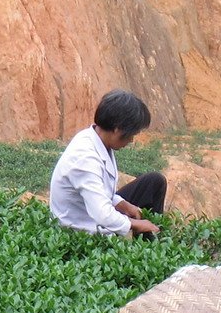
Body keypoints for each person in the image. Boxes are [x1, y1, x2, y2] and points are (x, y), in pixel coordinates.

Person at [49, 90, 166, 239]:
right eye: (131, 135)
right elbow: (102, 214)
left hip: (91, 210)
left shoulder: (97, 139)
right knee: (135, 222)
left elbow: (101, 192)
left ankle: (153, 237)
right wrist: (136, 224)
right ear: (117, 129)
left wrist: (123, 204)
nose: (131, 141)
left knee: (154, 182)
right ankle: (150, 246)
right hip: (82, 229)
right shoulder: (84, 158)